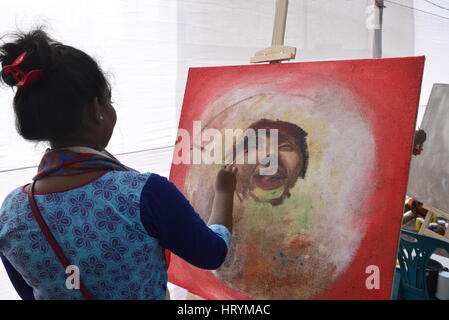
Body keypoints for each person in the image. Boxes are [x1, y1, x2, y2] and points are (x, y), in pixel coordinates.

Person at [0, 28, 237, 300]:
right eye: (108, 100)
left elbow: (31, 293)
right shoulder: (143, 194)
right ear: (95, 110)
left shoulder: (11, 212)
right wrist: (224, 193)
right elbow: (212, 252)